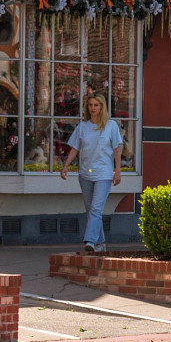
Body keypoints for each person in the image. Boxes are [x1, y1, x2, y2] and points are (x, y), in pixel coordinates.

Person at [58, 91, 123, 253]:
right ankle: (100, 243)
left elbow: (117, 149)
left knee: (96, 209)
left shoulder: (111, 126)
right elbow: (75, 148)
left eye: (96, 105)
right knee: (91, 210)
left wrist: (118, 171)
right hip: (85, 174)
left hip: (104, 174)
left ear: (102, 107)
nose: (93, 108)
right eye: (90, 105)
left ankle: (90, 241)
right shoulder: (83, 126)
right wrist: (65, 166)